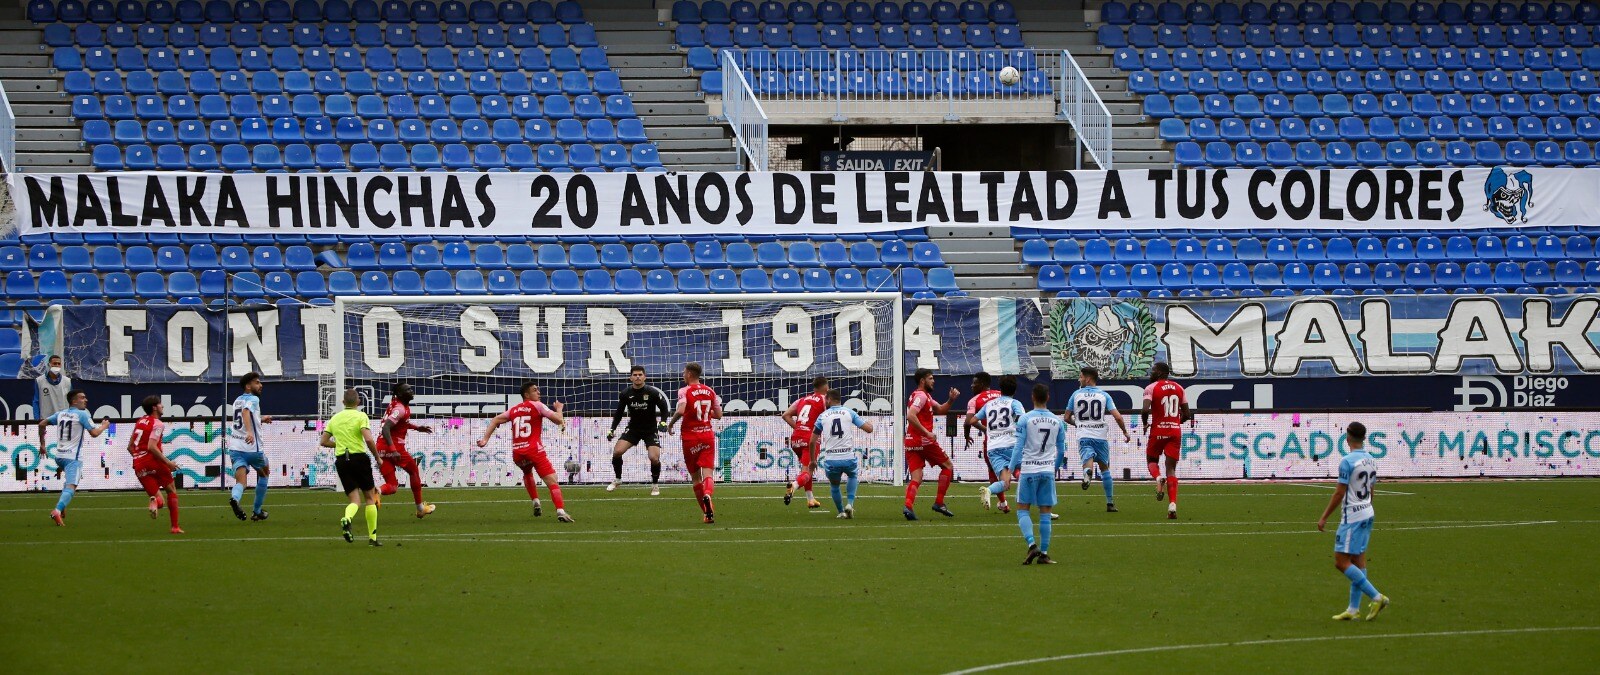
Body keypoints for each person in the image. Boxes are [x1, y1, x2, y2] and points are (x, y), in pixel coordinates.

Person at [1317, 422, 1391, 621]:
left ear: (1347, 438)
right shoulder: (1371, 460)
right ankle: (1353, 609)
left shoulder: (1347, 461)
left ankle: (1377, 597)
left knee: (1341, 562)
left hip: (1353, 516)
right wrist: (1366, 507)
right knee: (1358, 561)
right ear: (1364, 439)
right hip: (1368, 512)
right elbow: (1372, 490)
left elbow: (1340, 492)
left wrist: (1324, 517)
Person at [477, 382, 572, 523]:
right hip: (534, 450)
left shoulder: (514, 410)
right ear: (526, 395)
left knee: (527, 473)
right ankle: (560, 510)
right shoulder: (538, 405)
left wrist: (485, 439)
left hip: (518, 452)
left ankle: (535, 501)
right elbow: (559, 420)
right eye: (535, 390)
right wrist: (559, 409)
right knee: (552, 480)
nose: (538, 392)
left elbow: (495, 419)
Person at [1011, 384, 1067, 565]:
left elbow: (1018, 447)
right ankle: (1044, 553)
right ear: (1048, 397)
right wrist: (1054, 468)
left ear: (1033, 397)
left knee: (1022, 509)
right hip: (1047, 471)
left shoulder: (1025, 419)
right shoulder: (1058, 421)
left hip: (1029, 470)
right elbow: (1062, 450)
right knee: (1045, 513)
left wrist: (1011, 468)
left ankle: (1031, 544)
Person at [37, 389, 109, 526]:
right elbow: (94, 433)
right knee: (72, 485)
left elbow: (42, 424)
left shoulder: (60, 414)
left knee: (68, 482)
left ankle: (62, 507)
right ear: (74, 401)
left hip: (59, 457)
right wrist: (104, 426)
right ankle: (57, 511)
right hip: (72, 458)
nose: (85, 400)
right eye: (82, 398)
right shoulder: (82, 414)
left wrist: (42, 444)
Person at [321, 388, 382, 546]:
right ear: (358, 402)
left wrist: (340, 444)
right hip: (359, 458)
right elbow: (368, 439)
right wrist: (377, 457)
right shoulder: (361, 416)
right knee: (370, 498)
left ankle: (347, 518)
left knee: (354, 500)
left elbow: (324, 441)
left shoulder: (335, 419)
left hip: (342, 460)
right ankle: (373, 538)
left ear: (342, 402)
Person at [1066, 367, 1131, 513]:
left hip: (1084, 435)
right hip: (1100, 435)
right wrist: (1125, 432)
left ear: (1088, 379)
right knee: (1104, 468)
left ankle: (1087, 472)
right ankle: (1110, 503)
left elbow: (1066, 417)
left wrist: (1079, 423)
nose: (1079, 379)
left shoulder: (1075, 395)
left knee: (1087, 457)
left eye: (1081, 377)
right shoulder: (1104, 395)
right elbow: (1118, 416)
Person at [666, 362, 722, 523]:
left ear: (690, 374)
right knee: (708, 473)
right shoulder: (710, 391)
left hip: (690, 438)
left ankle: (707, 513)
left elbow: (681, 410)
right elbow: (718, 414)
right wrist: (705, 412)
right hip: (707, 436)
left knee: (696, 478)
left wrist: (671, 424)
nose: (683, 375)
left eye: (684, 372)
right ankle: (708, 495)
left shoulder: (684, 391)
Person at [605, 365, 671, 496]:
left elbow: (664, 408)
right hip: (633, 429)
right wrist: (612, 429)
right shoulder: (625, 394)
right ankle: (618, 479)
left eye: (640, 375)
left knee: (654, 458)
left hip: (650, 430)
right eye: (635, 375)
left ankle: (655, 485)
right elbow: (618, 413)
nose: (638, 377)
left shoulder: (652, 392)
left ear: (644, 377)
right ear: (631, 378)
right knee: (617, 452)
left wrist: (663, 422)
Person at [903, 368, 958, 520]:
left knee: (917, 476)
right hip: (924, 441)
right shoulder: (921, 396)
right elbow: (910, 415)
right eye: (931, 378)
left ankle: (908, 506)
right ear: (922, 381)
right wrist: (926, 433)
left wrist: (951, 400)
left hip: (910, 441)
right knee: (948, 466)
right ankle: (939, 502)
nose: (934, 381)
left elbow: (940, 409)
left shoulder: (922, 396)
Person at [808, 389, 873, 519]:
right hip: (848, 457)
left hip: (831, 459)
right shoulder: (849, 412)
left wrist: (813, 460)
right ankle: (850, 503)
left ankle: (841, 511)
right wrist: (867, 422)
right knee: (853, 475)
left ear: (829, 400)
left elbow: (812, 441)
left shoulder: (823, 416)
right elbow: (869, 429)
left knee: (834, 485)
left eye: (826, 399)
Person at [376, 383, 437, 519]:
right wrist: (393, 450)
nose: (411, 390)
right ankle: (420, 509)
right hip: (394, 447)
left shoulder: (396, 405)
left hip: (380, 448)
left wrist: (416, 428)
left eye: (411, 388)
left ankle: (378, 491)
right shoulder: (400, 408)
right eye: (408, 389)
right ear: (401, 394)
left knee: (392, 486)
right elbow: (386, 428)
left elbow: (400, 422)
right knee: (414, 471)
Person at [1142, 362, 1190, 520]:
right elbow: (1187, 414)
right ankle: (1172, 504)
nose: (1151, 372)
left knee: (1151, 459)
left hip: (1158, 431)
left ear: (1160, 373)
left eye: (1154, 370)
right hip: (1175, 432)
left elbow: (1145, 410)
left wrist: (1144, 423)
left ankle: (1157, 477)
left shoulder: (1151, 388)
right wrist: (1177, 422)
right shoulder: (1179, 388)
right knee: (1171, 469)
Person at [129, 395, 182, 534]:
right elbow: (152, 447)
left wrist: (138, 459)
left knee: (160, 501)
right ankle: (175, 527)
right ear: (154, 407)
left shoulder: (140, 421)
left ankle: (155, 503)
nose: (162, 406)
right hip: (153, 461)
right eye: (160, 404)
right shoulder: (157, 423)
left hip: (139, 464)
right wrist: (168, 463)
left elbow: (130, 447)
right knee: (171, 490)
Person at [227, 372, 274, 522]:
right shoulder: (253, 399)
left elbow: (245, 415)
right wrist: (249, 432)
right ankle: (257, 511)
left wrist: (261, 419)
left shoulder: (237, 400)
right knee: (264, 473)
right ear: (248, 386)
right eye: (257, 383)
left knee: (241, 482)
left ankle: (235, 498)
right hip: (252, 448)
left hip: (235, 448)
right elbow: (246, 412)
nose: (261, 385)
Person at [963, 372, 1009, 514]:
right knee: (1016, 469)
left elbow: (967, 422)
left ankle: (1002, 502)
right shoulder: (1002, 395)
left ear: (982, 384)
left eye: (974, 383)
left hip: (992, 442)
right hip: (1010, 439)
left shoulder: (974, 400)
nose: (971, 386)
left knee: (993, 471)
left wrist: (968, 435)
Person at [976, 376, 1025, 513]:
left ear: (1000, 389)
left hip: (993, 448)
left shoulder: (989, 404)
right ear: (1015, 390)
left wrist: (987, 430)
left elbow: (972, 420)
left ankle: (989, 490)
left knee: (1005, 483)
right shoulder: (1015, 403)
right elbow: (1022, 419)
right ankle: (1044, 508)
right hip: (1011, 444)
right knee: (1026, 473)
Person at [780, 376, 830, 508]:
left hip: (796, 438)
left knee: (806, 469)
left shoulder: (802, 399)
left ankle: (810, 499)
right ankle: (794, 485)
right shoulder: (824, 399)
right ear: (825, 387)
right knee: (808, 470)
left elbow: (785, 415)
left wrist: (799, 428)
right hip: (810, 439)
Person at [34, 355, 71, 449]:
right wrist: (37, 418)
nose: (57, 365)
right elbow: (36, 401)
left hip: (63, 419)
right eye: (54, 363)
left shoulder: (67, 381)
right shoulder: (39, 381)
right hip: (45, 419)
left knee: (64, 448)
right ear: (49, 364)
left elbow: (71, 401)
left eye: (59, 364)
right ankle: (42, 446)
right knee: (44, 447)